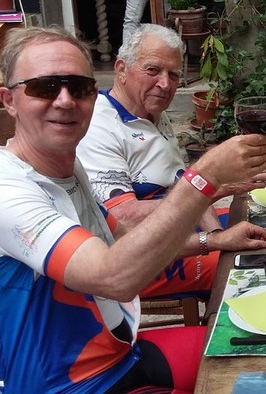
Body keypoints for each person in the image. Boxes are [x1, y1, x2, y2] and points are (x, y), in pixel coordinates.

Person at [0, 26, 266, 392]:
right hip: (72, 386)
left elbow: (122, 234)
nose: (65, 101)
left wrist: (214, 240)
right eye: (44, 87)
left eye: (79, 88)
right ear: (10, 100)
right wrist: (203, 177)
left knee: (265, 350)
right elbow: (113, 277)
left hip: (122, 354)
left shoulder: (67, 166)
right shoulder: (8, 189)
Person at [77, 23, 250, 300]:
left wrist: (217, 232)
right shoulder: (99, 125)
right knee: (251, 269)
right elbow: (121, 217)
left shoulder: (151, 111)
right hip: (140, 259)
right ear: (121, 69)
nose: (165, 84)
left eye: (173, 74)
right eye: (152, 70)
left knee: (262, 224)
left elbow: (184, 183)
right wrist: (213, 231)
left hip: (178, 232)